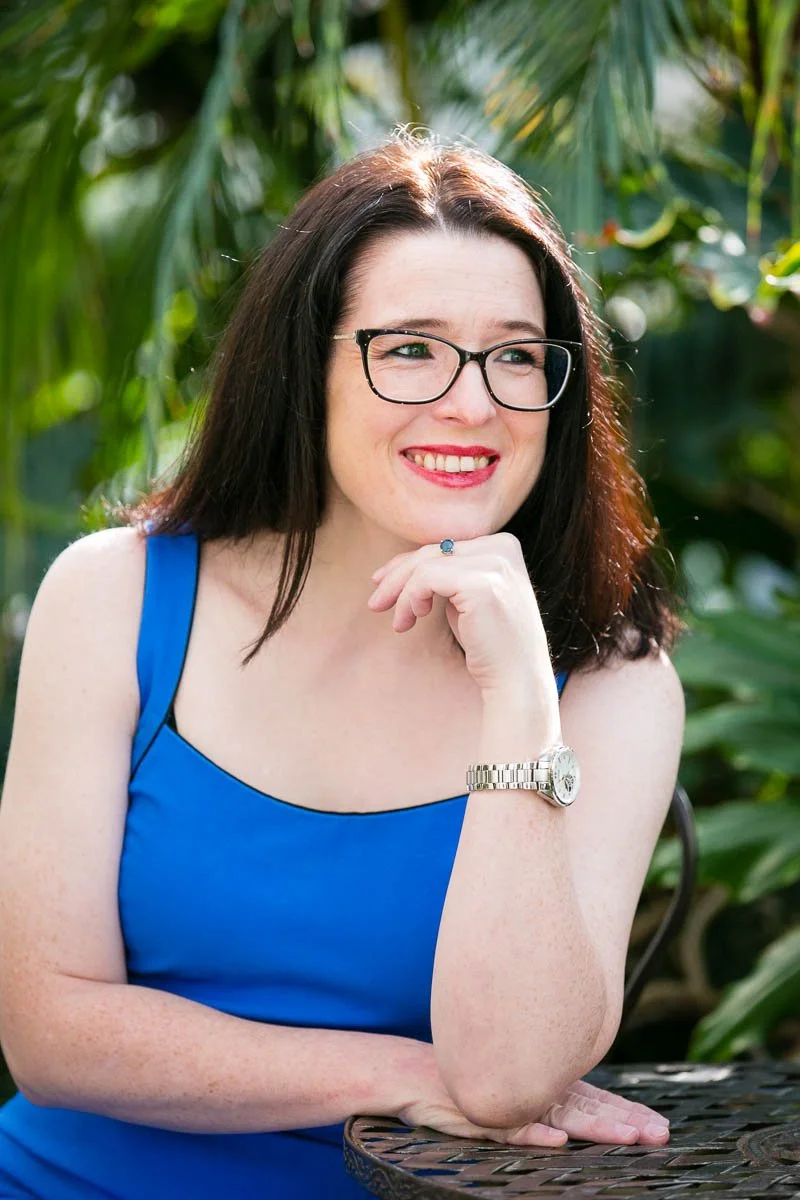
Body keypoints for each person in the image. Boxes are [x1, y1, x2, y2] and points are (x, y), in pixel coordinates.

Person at [0, 132, 685, 1199]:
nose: (471, 403)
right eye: (408, 348)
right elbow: (50, 1030)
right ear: (303, 365)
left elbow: (507, 1078)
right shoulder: (117, 599)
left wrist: (515, 703)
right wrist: (400, 1076)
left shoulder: (607, 683)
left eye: (514, 353)